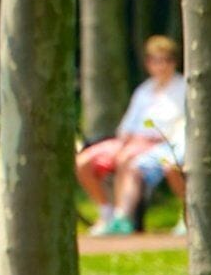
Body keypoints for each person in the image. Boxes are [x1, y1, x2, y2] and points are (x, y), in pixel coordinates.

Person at [73, 36, 187, 235]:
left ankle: (122, 217)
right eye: (155, 61)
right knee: (82, 161)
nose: (160, 66)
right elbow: (126, 126)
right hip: (130, 141)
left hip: (160, 143)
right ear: (148, 63)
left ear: (174, 62)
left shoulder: (183, 88)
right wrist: (126, 142)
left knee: (127, 159)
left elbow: (178, 127)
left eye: (165, 60)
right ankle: (106, 211)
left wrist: (140, 144)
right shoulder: (143, 90)